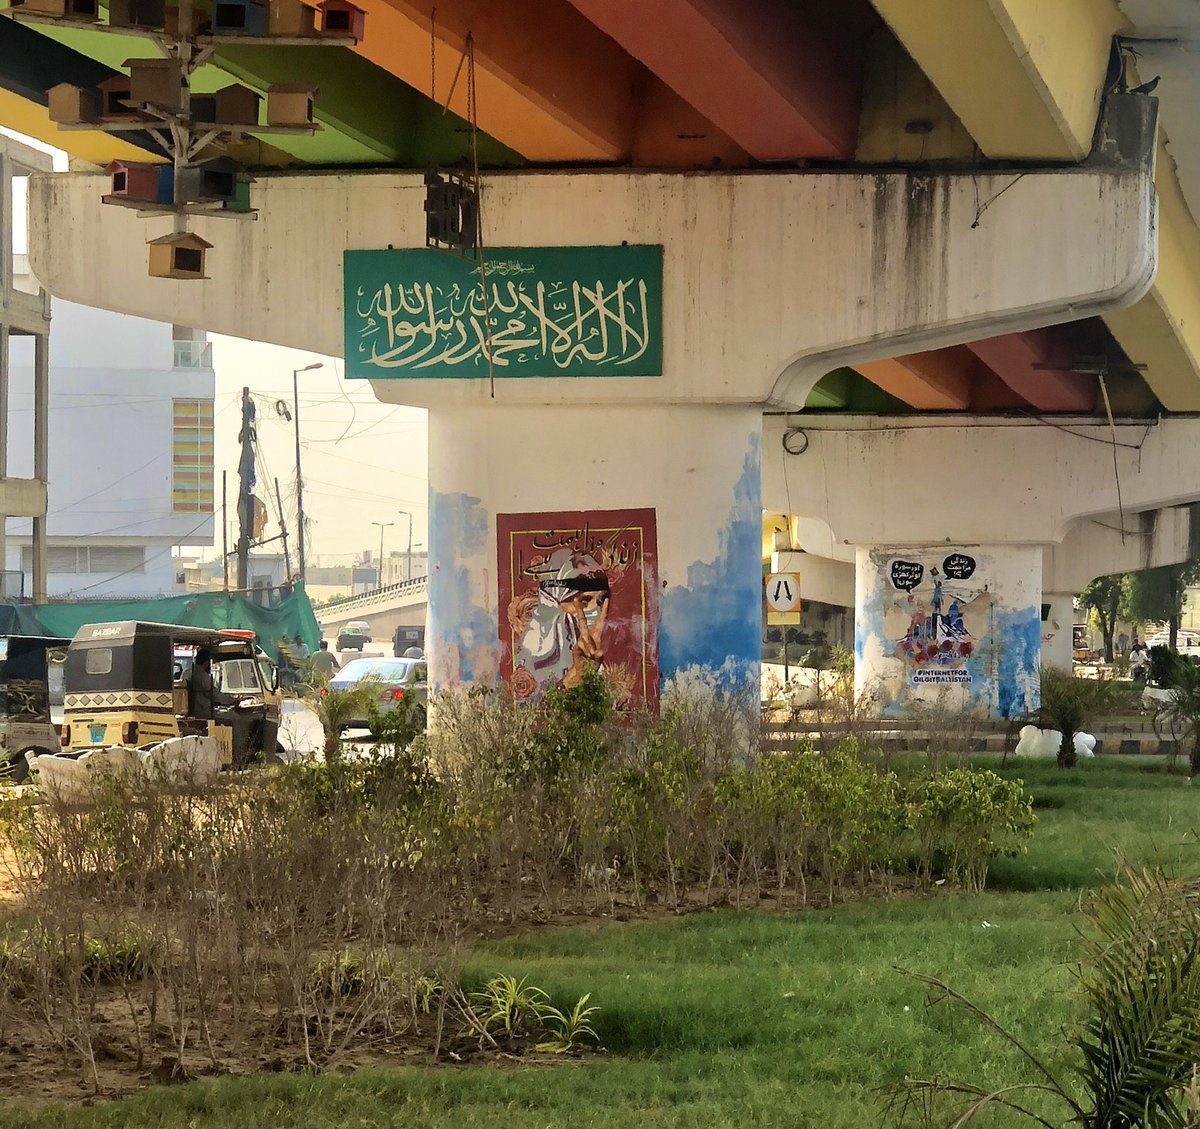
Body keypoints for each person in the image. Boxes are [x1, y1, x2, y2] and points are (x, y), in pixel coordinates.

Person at [189, 648, 236, 719]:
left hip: (193, 709)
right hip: (203, 711)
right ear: (206, 662)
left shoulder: (187, 671)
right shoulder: (203, 676)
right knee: (234, 716)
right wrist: (232, 700)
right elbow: (214, 694)